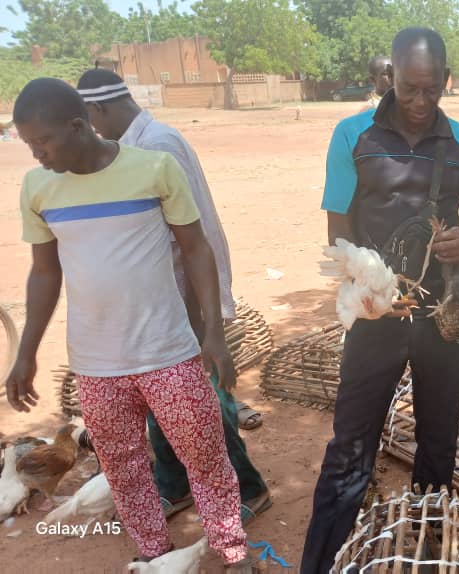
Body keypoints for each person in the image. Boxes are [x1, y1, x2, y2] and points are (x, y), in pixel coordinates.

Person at [6, 78, 253, 572]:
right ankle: (154, 555)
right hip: (95, 364)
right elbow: (45, 272)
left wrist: (213, 333)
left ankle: (231, 551)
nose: (37, 154)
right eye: (30, 144)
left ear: (78, 126)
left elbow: (195, 249)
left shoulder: (154, 168)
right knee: (123, 468)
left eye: (44, 141)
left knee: (205, 458)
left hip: (169, 354)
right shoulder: (38, 187)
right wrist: (26, 352)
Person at [303, 28, 459, 573]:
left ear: (446, 81)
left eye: (431, 89)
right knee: (351, 447)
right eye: (409, 88)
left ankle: (427, 556)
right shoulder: (353, 136)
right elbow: (337, 233)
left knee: (438, 443)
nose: (419, 101)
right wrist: (368, 291)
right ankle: (319, 563)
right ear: (390, 77)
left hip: (444, 318)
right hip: (375, 315)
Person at [75, 68, 272, 525]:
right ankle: (175, 482)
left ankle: (249, 487)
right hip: (159, 300)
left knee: (202, 398)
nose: (93, 132)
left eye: (89, 120)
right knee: (158, 393)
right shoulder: (141, 143)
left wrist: (203, 317)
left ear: (98, 109)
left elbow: (189, 240)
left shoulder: (156, 145)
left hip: (183, 297)